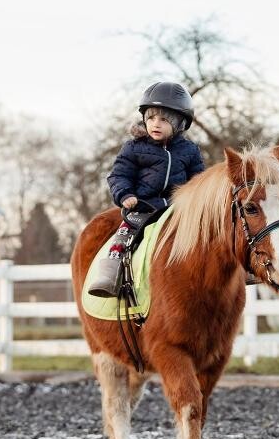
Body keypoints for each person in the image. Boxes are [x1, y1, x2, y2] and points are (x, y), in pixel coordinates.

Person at [88, 81, 205, 297]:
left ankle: (236, 267)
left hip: (177, 208)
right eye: (151, 118)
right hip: (143, 206)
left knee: (208, 232)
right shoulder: (134, 147)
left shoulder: (189, 151)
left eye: (163, 119)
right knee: (124, 236)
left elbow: (198, 181)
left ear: (179, 123)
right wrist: (126, 195)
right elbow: (119, 175)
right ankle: (109, 275)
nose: (155, 124)